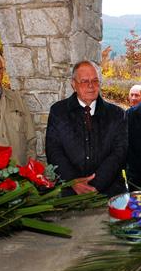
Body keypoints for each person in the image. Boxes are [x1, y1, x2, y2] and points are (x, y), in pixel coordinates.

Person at [46, 60, 127, 197]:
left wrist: (94, 185)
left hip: (108, 192)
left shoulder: (117, 114)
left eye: (95, 81)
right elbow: (54, 150)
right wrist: (73, 182)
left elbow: (119, 154)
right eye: (84, 81)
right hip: (69, 192)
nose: (91, 86)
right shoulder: (58, 112)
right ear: (73, 84)